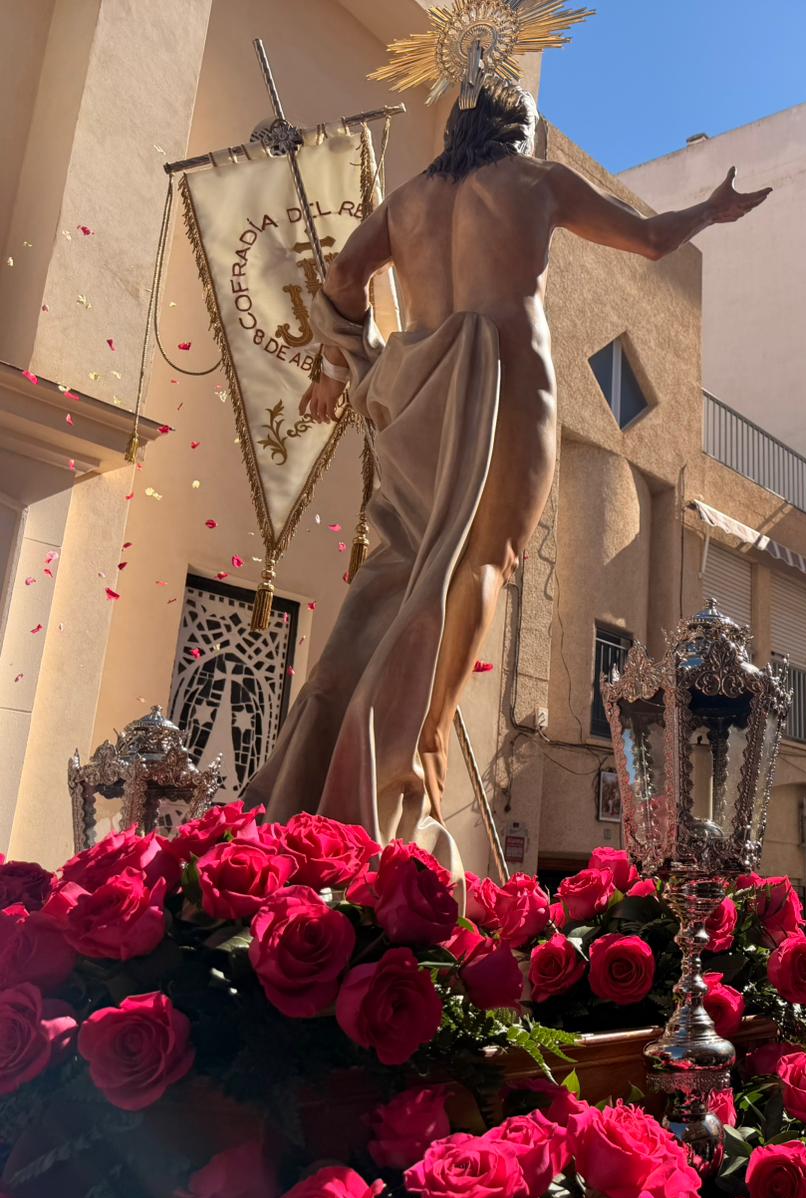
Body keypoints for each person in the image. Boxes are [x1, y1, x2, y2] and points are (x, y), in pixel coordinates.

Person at [242, 20, 771, 861]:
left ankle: (343, 749)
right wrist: (712, 208)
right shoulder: (535, 180)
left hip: (417, 388)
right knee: (487, 559)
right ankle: (426, 734)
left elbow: (341, 278)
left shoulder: (407, 201)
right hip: (502, 378)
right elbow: (649, 240)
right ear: (514, 125)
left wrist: (346, 366)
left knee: (399, 566)